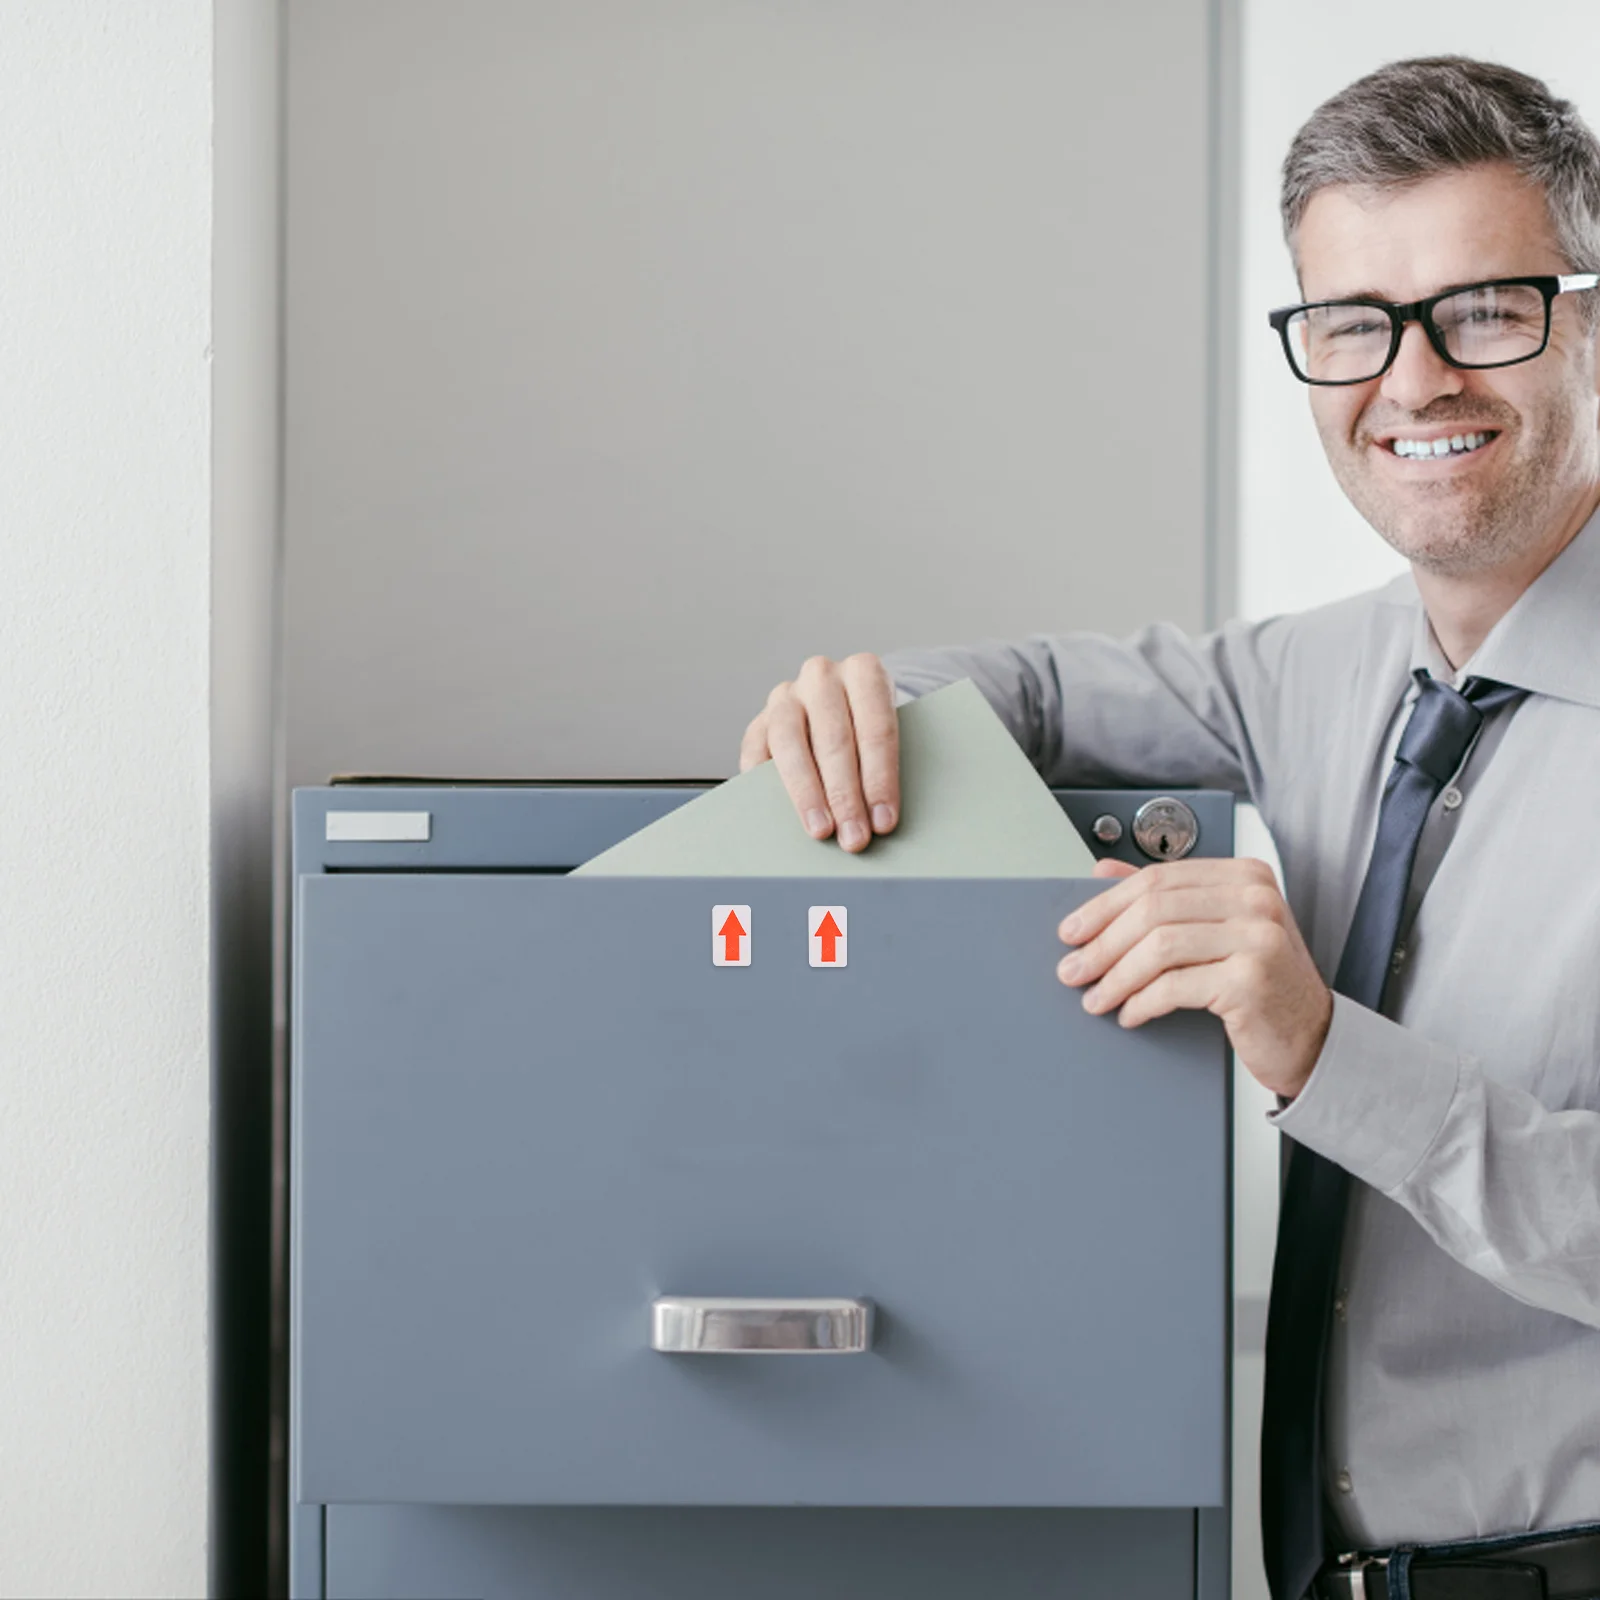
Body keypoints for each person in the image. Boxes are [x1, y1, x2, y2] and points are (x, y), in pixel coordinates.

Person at [738, 56, 1600, 1600]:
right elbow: (1024, 691)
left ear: (1589, 319)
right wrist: (856, 714)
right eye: (1352, 324)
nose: (1413, 382)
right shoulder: (1311, 676)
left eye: (1482, 309)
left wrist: (1326, 1054)